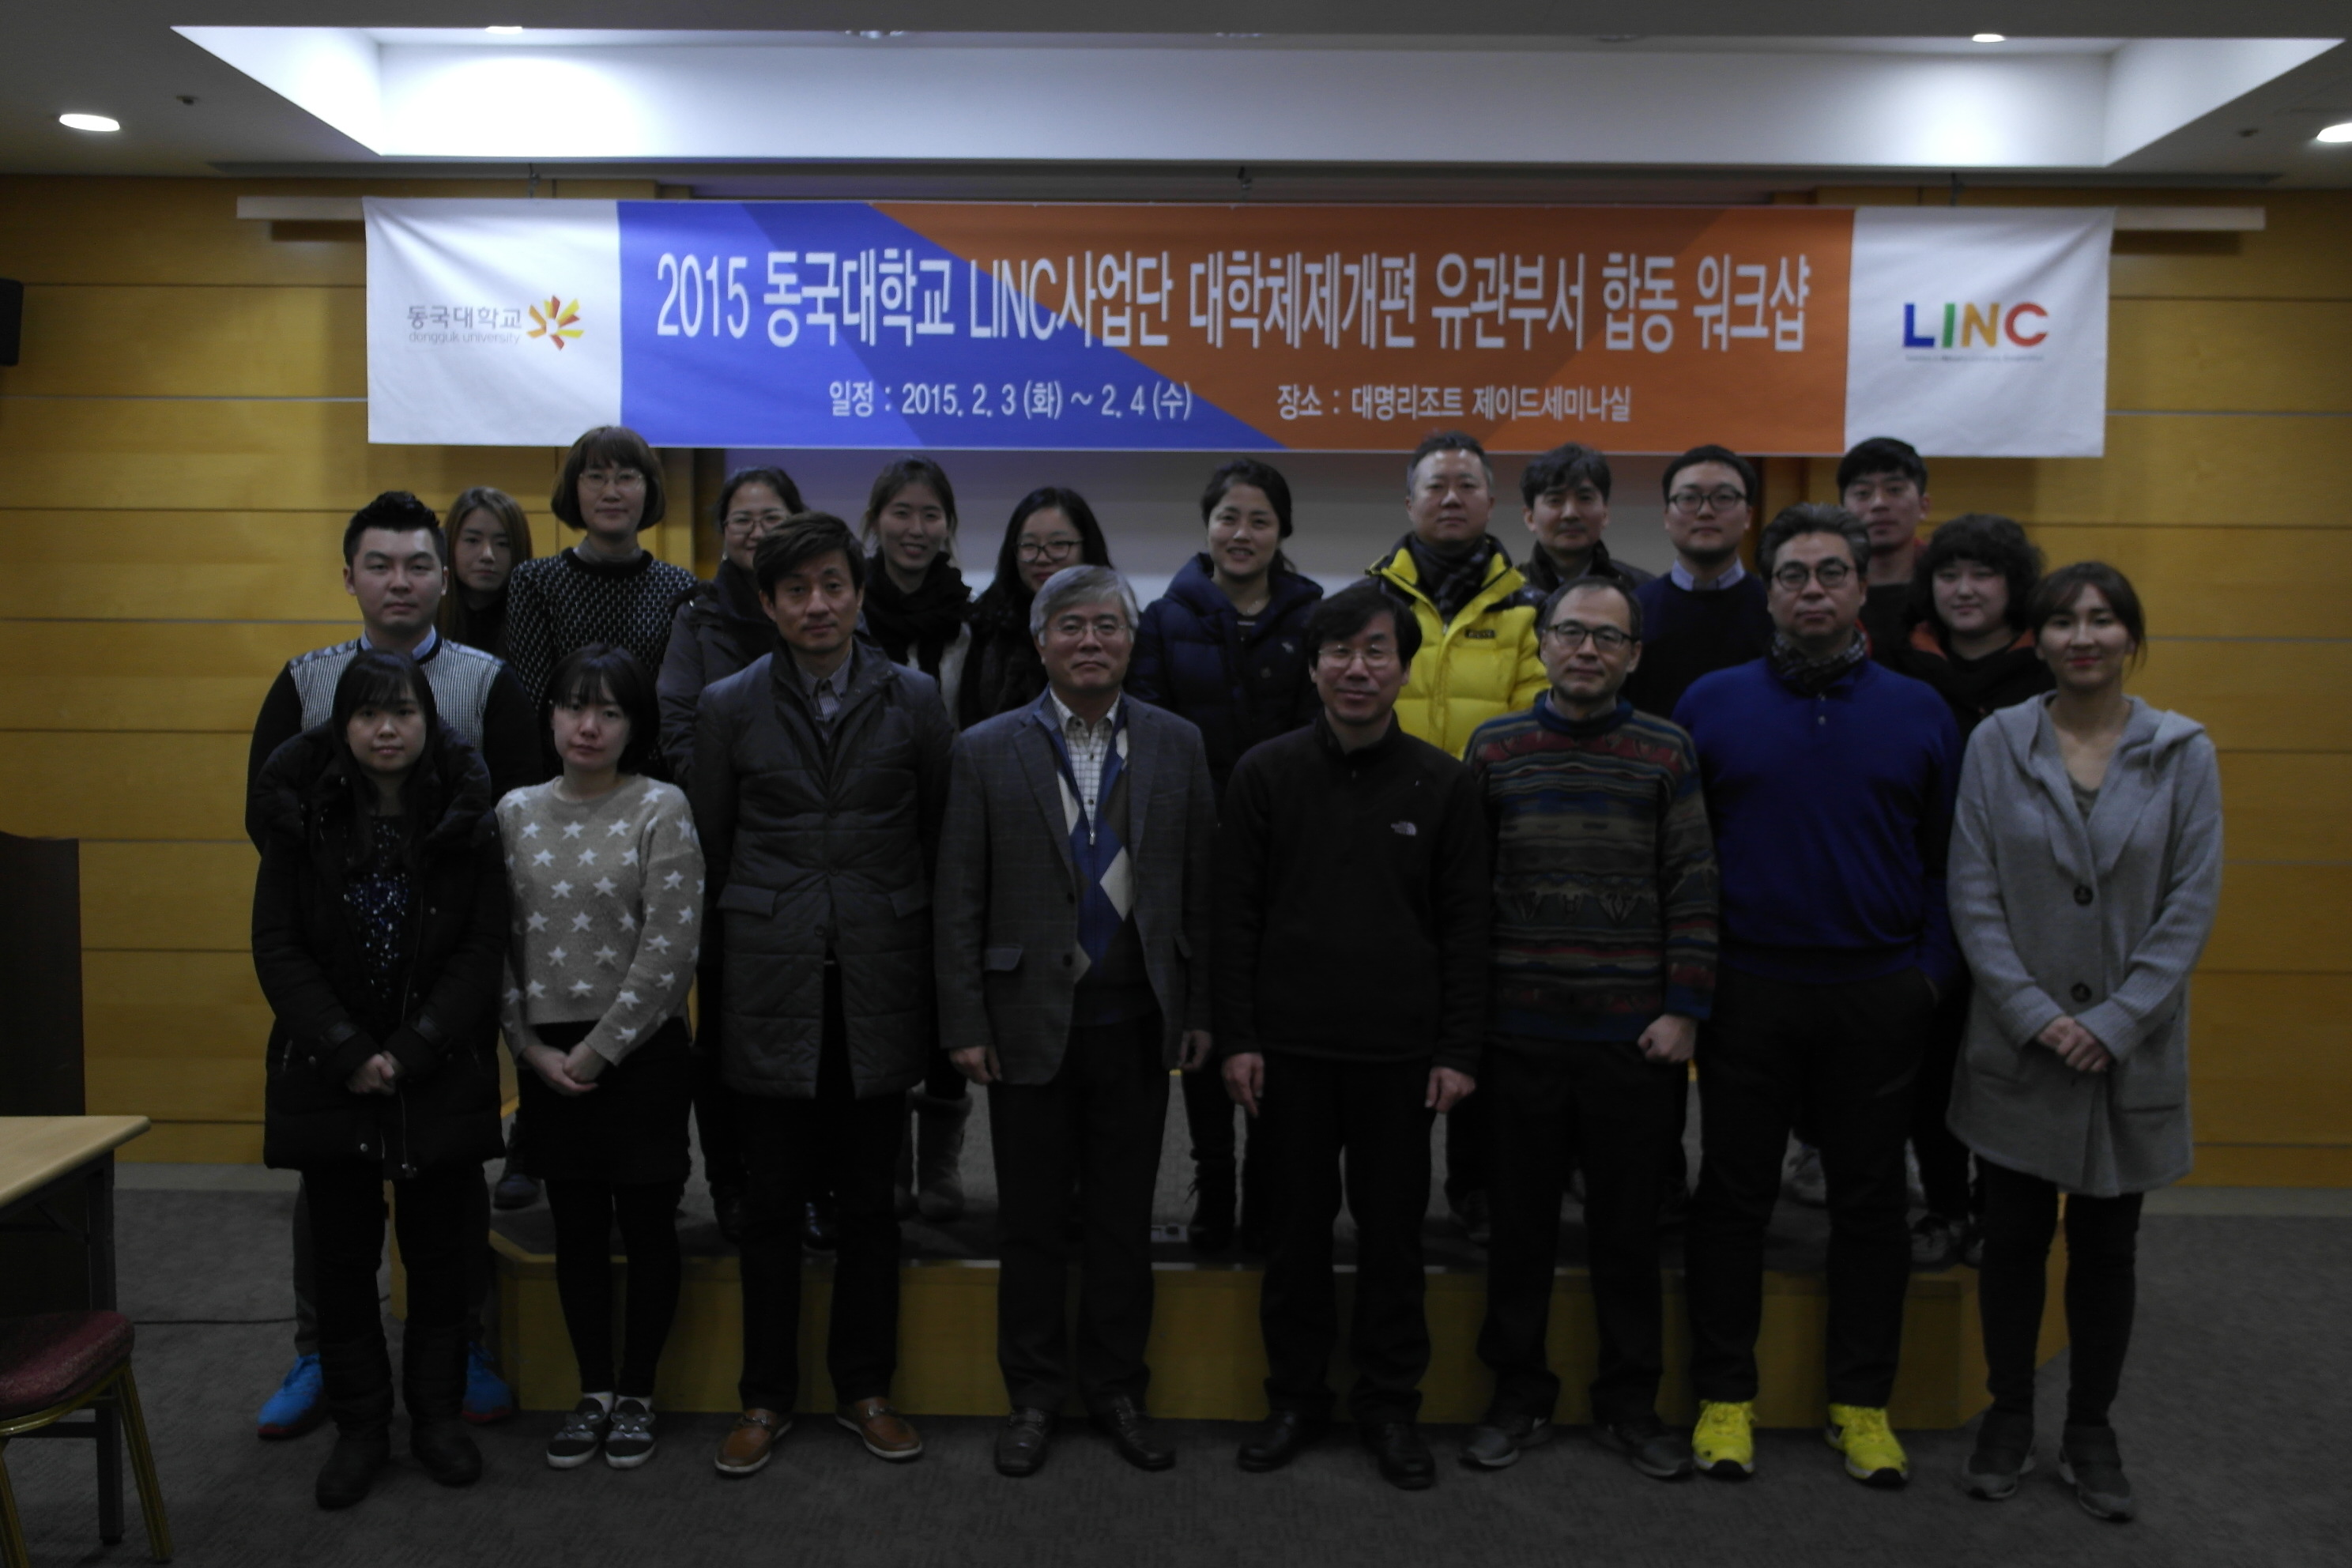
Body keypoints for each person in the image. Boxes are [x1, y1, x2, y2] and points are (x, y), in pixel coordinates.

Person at [1674, 503, 1960, 1490]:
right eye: (1792, 574)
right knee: (1733, 1198)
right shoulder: (1711, 703)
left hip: (1877, 994)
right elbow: (1683, 857)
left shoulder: (1921, 709)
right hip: (1749, 991)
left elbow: (1946, 863)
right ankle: (1725, 1397)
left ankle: (1861, 1404)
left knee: (1871, 1204)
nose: (1811, 590)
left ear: (1862, 586)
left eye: (1831, 572)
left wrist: (1927, 975)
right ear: (1770, 592)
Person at [246, 490, 532, 1440]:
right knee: (330, 1198)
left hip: (443, 997)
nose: (399, 582)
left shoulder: (489, 683)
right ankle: (318, 1352)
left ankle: (464, 1349)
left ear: (443, 578)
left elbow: (513, 835)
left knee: (448, 1190)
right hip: (335, 994)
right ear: (350, 577)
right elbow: (267, 824)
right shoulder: (304, 680)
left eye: (417, 565)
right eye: (380, 564)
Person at [1946, 563, 2222, 1521]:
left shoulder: (2182, 750)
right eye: (2063, 621)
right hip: (2019, 1040)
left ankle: (2092, 1427)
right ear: (2039, 640)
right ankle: (2008, 1413)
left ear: (2130, 637)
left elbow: (2190, 902)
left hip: (2127, 1051)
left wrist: (2114, 1021)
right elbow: (1972, 889)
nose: (2084, 637)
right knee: (2013, 1239)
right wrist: (2034, 1012)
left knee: (2109, 1246)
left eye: (2103, 620)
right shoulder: (1998, 741)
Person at [934, 565, 1216, 1479]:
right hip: (1024, 1021)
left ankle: (1117, 1389)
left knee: (1123, 1220)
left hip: (1137, 1017)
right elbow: (958, 896)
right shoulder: (984, 748)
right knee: (1030, 1221)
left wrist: (1199, 1006)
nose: (1090, 641)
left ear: (1131, 640)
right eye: (1071, 626)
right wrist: (964, 1017)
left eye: (1108, 625)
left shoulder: (1177, 743)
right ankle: (1033, 1394)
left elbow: (1201, 889)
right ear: (1041, 640)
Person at [691, 515, 956, 1477]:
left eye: (833, 585)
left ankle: (865, 1389)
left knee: (871, 1208)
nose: (818, 605)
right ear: (768, 604)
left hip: (879, 978)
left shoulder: (915, 698)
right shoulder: (728, 704)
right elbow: (712, 847)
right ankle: (764, 1396)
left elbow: (938, 837)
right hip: (770, 980)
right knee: (769, 1206)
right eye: (796, 590)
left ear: (858, 591)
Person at [1219, 581, 1488, 1491]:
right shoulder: (1264, 773)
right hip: (1287, 1055)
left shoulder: (1445, 783)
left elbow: (1466, 927)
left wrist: (1457, 1049)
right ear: (1314, 666)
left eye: (1378, 651)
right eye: (1340, 650)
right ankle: (1294, 1398)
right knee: (1292, 1238)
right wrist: (1240, 1037)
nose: (1358, 668)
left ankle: (1389, 1406)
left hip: (1401, 1059)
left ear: (1404, 669)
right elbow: (1235, 918)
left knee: (1393, 1242)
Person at [1462, 576, 1715, 1481]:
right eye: (1571, 632)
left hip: (1630, 1040)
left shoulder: (1666, 749)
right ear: (1544, 643)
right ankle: (1516, 1395)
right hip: (1515, 1035)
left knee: (1628, 1234)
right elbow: (1464, 895)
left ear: (1633, 655)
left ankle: (1630, 1403)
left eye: (1608, 638)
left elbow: (1693, 883)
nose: (1586, 650)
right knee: (1518, 1233)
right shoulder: (1494, 747)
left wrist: (1685, 1009)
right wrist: (1467, 1023)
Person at [497, 646, 702, 1472]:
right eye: (574, 707)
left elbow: (672, 949)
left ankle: (640, 1392)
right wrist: (528, 1046)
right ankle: (594, 1392)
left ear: (633, 725)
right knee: (576, 1229)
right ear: (549, 716)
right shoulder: (513, 811)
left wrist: (599, 1049)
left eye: (610, 711)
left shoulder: (661, 806)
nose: (589, 726)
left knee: (649, 1227)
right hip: (546, 1054)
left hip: (640, 1051)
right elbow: (492, 942)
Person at [1128, 456, 1324, 1254]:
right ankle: (1214, 1182)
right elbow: (1150, 733)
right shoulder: (1162, 618)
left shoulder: (1315, 616)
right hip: (1193, 851)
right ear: (1207, 526)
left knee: (1274, 1021)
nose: (1242, 533)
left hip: (1288, 852)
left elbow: (1316, 734)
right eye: (1228, 518)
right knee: (1203, 1023)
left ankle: (1268, 1184)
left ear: (1283, 531)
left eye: (1259, 520)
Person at [1367, 431, 1542, 1244]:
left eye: (1466, 485)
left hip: (1488, 842)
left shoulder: (1528, 609)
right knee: (1389, 1024)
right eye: (1435, 485)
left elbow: (1535, 723)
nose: (1450, 498)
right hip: (1383, 846)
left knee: (1481, 1025)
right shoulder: (1372, 602)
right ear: (1409, 501)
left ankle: (1477, 1186)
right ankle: (1384, 1194)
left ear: (1492, 502)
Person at [1896, 513, 2053, 1268]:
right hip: (1923, 896)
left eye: (1982, 575)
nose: (1964, 590)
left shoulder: (2048, 674)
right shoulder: (1902, 667)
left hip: (2022, 902)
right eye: (1949, 574)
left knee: (2008, 1062)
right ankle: (1944, 1207)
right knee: (1930, 1066)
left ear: (2013, 586)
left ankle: (1999, 1207)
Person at [654, 465, 805, 1246]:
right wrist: (742, 800)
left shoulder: (816, 605)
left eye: (770, 517)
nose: (755, 531)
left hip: (809, 852)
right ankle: (730, 1183)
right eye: (741, 519)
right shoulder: (697, 617)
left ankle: (807, 1187)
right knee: (721, 1035)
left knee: (806, 1028)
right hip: (722, 853)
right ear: (722, 532)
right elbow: (679, 727)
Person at [855, 457, 978, 1222]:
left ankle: (940, 1163)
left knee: (948, 992)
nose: (915, 527)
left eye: (931, 514)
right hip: (870, 829)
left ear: (948, 527)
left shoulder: (970, 621)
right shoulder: (848, 610)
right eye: (901, 511)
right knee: (883, 997)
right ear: (875, 521)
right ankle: (891, 1160)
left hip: (954, 830)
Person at [504, 425, 699, 761]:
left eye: (626, 478)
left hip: (655, 772)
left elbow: (680, 701)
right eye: (596, 477)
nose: (611, 492)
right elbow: (534, 699)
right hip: (562, 769)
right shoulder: (535, 581)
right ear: (574, 488)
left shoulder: (679, 586)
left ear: (649, 489)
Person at [1624, 444, 1772, 720]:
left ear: (1749, 516)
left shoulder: (1776, 609)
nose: (1705, 511)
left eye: (1724, 498)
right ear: (1667, 517)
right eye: (1689, 498)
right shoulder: (1632, 611)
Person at [958, 487, 1114, 729]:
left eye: (1058, 544)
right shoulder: (986, 623)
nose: (1042, 558)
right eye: (1029, 546)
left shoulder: (1115, 626)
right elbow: (970, 718)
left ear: (1086, 548)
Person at [1510, 442, 1653, 606]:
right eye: (1555, 500)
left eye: (1585, 498)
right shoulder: (1505, 593)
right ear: (1530, 518)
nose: (1570, 513)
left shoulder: (1642, 591)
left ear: (1605, 514)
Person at [1839, 435, 1932, 665]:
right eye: (1863, 493)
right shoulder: (1823, 586)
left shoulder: (1949, 585)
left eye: (1895, 490)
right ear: (1843, 511)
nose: (1879, 503)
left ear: (1923, 506)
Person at [438, 486, 534, 659]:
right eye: (472, 540)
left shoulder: (536, 621)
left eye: (503, 543)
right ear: (450, 543)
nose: (487, 555)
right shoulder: (427, 616)